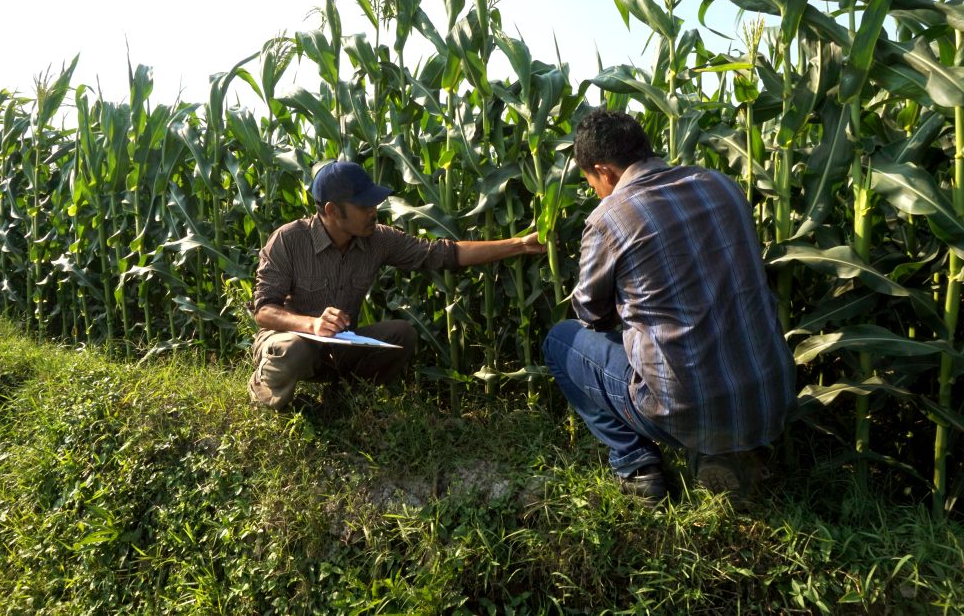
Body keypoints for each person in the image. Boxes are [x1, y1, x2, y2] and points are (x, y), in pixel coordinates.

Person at [542, 108, 795, 504]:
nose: (595, 190)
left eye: (590, 181)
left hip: (680, 406)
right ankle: (724, 453)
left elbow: (589, 313)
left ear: (603, 171)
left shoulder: (610, 217)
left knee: (561, 341)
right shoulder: (722, 185)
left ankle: (635, 465)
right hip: (770, 395)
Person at [249, 159, 546, 411]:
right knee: (290, 350)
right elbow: (264, 310)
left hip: (339, 346)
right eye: (363, 205)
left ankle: (340, 403)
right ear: (332, 210)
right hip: (292, 341)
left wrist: (519, 244)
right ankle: (267, 400)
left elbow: (442, 253)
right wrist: (312, 324)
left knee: (401, 334)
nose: (373, 210)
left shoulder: (377, 239)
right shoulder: (289, 240)